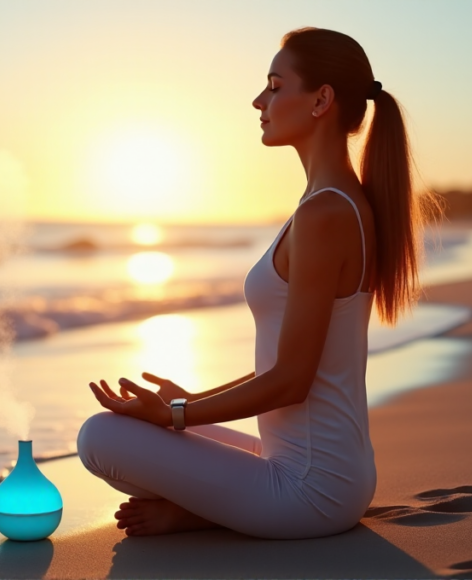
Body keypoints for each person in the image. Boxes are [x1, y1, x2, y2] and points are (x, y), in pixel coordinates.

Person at [76, 27, 441, 539]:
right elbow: (289, 365)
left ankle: (208, 510)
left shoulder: (326, 214)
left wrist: (179, 414)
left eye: (274, 86)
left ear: (321, 100)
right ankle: (208, 508)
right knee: (134, 425)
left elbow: (291, 380)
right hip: (321, 470)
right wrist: (190, 399)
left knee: (99, 438)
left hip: (311, 490)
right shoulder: (331, 203)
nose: (258, 101)